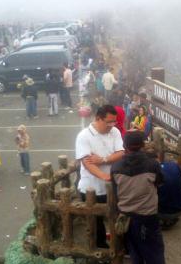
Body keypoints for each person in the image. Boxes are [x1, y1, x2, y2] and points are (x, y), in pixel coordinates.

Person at [110, 131, 165, 263]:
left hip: (126, 217)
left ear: (125, 146)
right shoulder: (152, 164)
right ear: (143, 145)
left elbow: (116, 191)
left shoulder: (116, 167)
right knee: (155, 252)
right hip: (148, 215)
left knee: (134, 251)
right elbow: (160, 183)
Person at [75, 105, 125, 248]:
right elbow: (87, 163)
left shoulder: (114, 131)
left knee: (116, 216)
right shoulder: (84, 136)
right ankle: (100, 248)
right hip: (91, 188)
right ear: (98, 118)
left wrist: (103, 160)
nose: (112, 125)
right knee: (96, 222)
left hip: (111, 186)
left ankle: (119, 245)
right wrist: (104, 176)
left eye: (114, 121)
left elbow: (120, 153)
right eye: (108, 122)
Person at [155, 153, 181, 229]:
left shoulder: (152, 172)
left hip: (164, 212)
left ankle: (164, 220)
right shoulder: (173, 165)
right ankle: (170, 218)